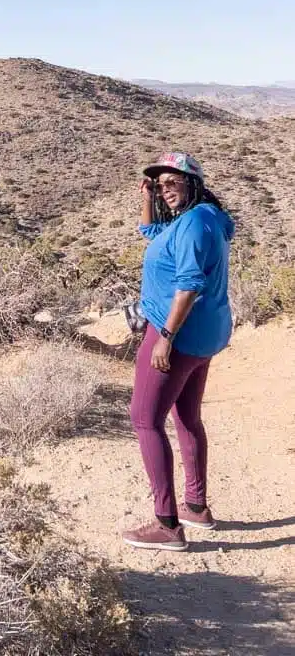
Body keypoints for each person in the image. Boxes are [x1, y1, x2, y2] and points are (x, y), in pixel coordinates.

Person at [122, 151, 234, 553]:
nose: (166, 190)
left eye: (173, 183)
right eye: (160, 184)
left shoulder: (192, 225)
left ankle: (167, 524)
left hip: (179, 335)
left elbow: (188, 284)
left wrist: (165, 336)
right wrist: (147, 198)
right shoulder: (202, 220)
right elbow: (152, 234)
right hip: (204, 336)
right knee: (186, 418)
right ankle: (196, 506)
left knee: (144, 420)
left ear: (193, 183)